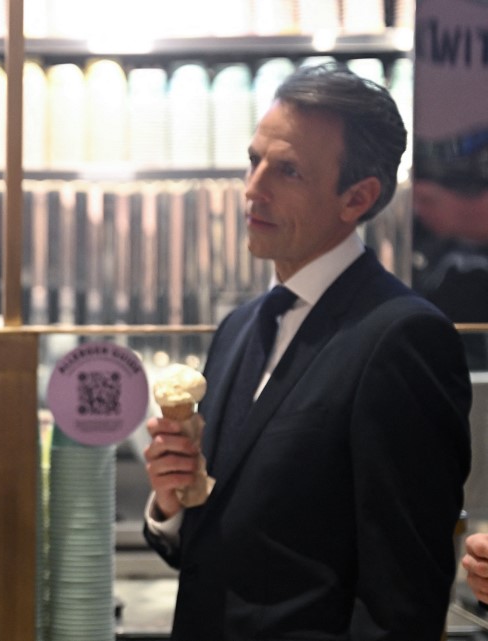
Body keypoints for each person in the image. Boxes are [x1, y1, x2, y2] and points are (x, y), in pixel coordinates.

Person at [142, 62, 472, 640]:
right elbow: (225, 548)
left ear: (357, 197)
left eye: (287, 170)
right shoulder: (240, 327)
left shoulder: (403, 337)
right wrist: (171, 505)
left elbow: (404, 599)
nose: (254, 188)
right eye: (254, 161)